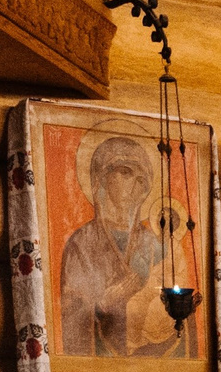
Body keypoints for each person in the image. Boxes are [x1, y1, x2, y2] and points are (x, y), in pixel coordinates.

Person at [58, 136, 178, 358]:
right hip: (99, 367)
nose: (134, 185)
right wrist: (103, 304)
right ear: (102, 177)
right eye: (125, 172)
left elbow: (176, 309)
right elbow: (69, 314)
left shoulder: (153, 242)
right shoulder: (81, 243)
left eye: (141, 180)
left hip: (149, 358)